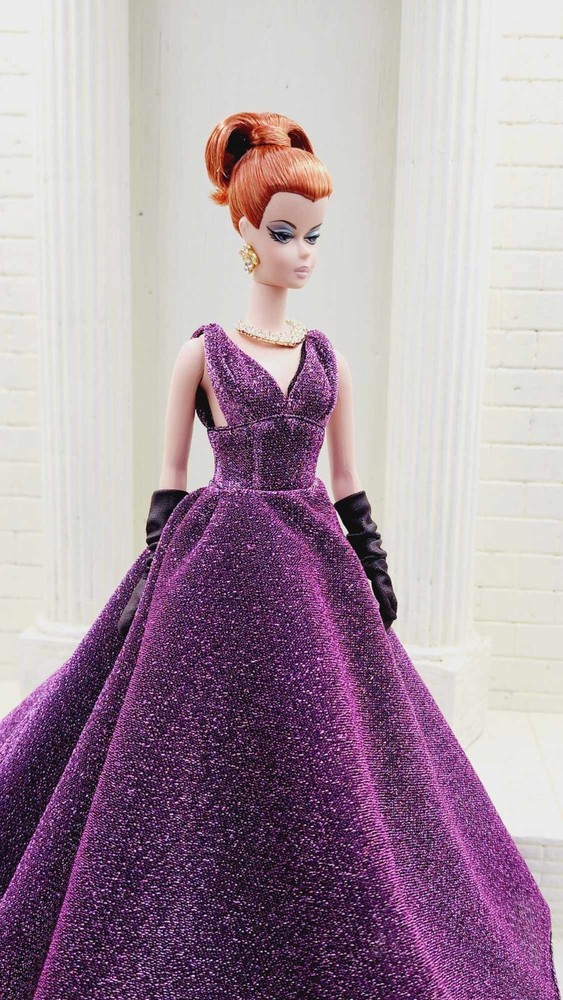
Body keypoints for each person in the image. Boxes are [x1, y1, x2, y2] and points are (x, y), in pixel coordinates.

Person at [0, 110, 559, 999]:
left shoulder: (326, 356)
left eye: (314, 236)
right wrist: (156, 566)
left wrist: (373, 564)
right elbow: (169, 478)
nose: (302, 253)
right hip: (217, 561)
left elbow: (347, 479)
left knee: (331, 742)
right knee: (189, 743)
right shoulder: (202, 353)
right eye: (285, 232)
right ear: (245, 232)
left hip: (311, 564)